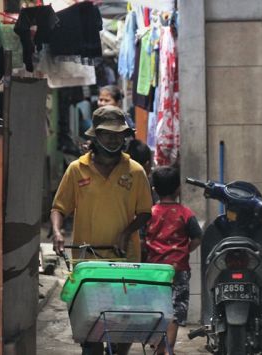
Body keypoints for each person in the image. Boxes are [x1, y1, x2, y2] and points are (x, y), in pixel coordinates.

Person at [51, 105, 153, 355]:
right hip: (88, 262)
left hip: (125, 260)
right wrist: (56, 232)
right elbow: (58, 207)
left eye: (118, 134)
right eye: (107, 133)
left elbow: (145, 213)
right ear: (95, 135)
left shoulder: (136, 171)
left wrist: (126, 232)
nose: (113, 138)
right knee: (92, 327)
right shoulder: (77, 169)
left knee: (123, 325)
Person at [144, 166, 203, 354]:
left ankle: (158, 347)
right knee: (175, 312)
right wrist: (185, 250)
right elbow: (197, 237)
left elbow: (141, 239)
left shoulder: (149, 213)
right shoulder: (185, 213)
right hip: (179, 270)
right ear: (178, 189)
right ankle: (167, 349)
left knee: (157, 309)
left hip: (155, 271)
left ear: (154, 189)